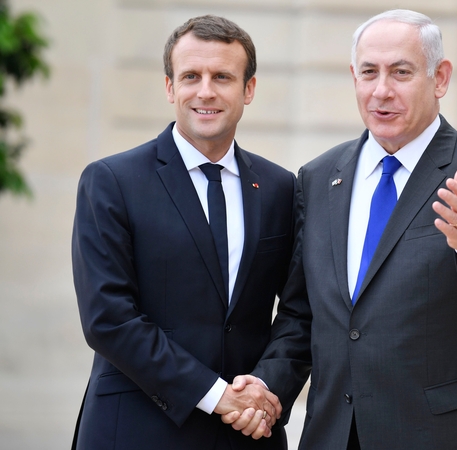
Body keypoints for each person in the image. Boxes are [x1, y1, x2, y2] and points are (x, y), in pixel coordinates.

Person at [227, 9, 457, 449]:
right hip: (336, 435)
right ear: (353, 78)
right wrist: (266, 387)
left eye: (401, 72)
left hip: (445, 436)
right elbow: (303, 316)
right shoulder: (319, 179)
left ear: (440, 78)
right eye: (369, 72)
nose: (382, 90)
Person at [71, 15, 294, 449]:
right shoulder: (111, 181)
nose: (205, 91)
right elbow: (107, 317)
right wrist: (216, 397)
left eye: (223, 77)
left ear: (248, 89)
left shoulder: (280, 187)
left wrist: (263, 391)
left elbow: (298, 311)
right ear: (170, 87)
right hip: (137, 429)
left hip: (248, 433)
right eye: (191, 76)